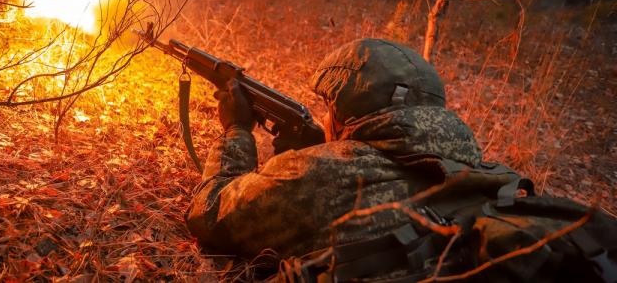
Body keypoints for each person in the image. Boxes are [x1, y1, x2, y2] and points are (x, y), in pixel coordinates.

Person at [185, 38, 617, 282]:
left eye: (329, 105)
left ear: (348, 110)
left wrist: (237, 129)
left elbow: (208, 214)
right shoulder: (484, 177)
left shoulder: (320, 173)